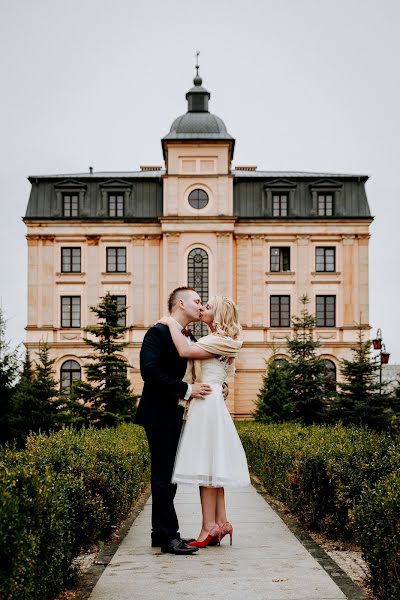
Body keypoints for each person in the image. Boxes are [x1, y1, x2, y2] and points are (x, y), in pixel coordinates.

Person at [158, 295, 250, 548]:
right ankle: (222, 521)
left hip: (207, 404)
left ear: (218, 314)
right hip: (207, 401)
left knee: (207, 467)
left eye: (208, 307)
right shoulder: (214, 339)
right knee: (212, 466)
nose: (202, 308)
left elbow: (185, 351)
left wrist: (170, 323)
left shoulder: (220, 340)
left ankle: (208, 527)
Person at [135, 286, 213, 555]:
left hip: (174, 412)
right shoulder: (157, 332)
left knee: (169, 476)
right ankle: (169, 537)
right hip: (158, 412)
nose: (201, 306)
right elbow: (150, 372)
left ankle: (161, 534)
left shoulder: (186, 336)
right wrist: (188, 390)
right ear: (181, 303)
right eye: (197, 301)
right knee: (164, 476)